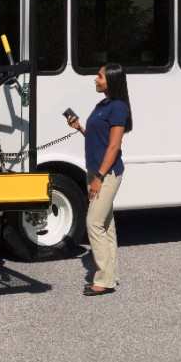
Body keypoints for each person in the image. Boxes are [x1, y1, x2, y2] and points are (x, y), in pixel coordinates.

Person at [67, 62, 132, 296]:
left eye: (100, 76)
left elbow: (114, 146)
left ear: (112, 80)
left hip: (107, 173)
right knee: (105, 225)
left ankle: (103, 280)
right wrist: (80, 128)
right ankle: (110, 276)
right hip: (95, 171)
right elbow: (100, 140)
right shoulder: (102, 105)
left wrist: (100, 178)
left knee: (93, 223)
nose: (96, 79)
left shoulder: (118, 108)